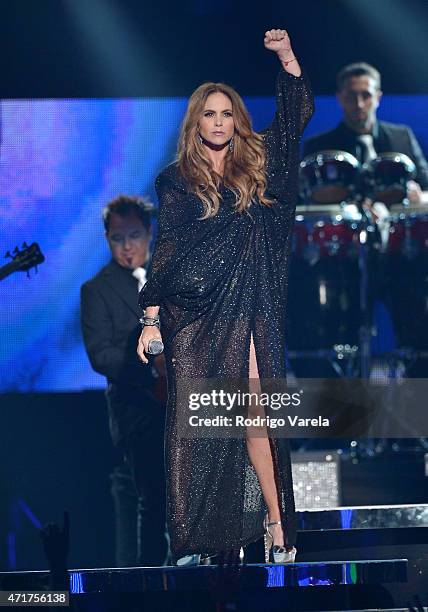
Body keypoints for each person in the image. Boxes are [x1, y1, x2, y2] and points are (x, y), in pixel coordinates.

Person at [137, 29, 314, 564]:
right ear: (196, 123)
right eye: (209, 114)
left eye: (227, 113)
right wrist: (150, 318)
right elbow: (169, 249)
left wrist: (285, 57)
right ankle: (211, 543)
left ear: (237, 119)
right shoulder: (176, 182)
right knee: (207, 428)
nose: (219, 122)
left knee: (257, 417)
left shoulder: (260, 169)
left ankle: (278, 524)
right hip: (198, 316)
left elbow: (293, 120)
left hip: (254, 305)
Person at [80, 196, 168, 566]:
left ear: (150, 233)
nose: (128, 246)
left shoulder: (169, 279)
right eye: (118, 238)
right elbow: (103, 355)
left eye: (134, 235)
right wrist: (152, 375)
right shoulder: (96, 290)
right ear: (107, 238)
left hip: (184, 401)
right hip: (138, 408)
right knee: (153, 499)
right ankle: (153, 584)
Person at [303, 62, 428, 204]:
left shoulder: (402, 137)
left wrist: (419, 198)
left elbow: (426, 187)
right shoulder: (318, 148)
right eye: (351, 95)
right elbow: (300, 202)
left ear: (378, 98)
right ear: (340, 98)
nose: (359, 104)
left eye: (366, 95)